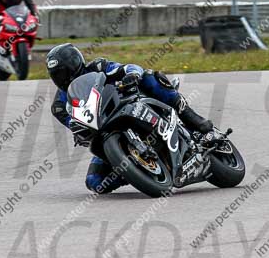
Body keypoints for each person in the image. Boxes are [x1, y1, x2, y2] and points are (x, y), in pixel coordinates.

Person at [45, 43, 214, 194]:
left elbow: (126, 67)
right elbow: (73, 124)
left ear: (76, 63)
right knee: (94, 183)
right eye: (57, 75)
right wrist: (79, 132)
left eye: (65, 71)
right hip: (103, 132)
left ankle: (190, 116)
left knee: (149, 77)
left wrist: (131, 74)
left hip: (127, 104)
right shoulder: (59, 106)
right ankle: (134, 171)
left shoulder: (98, 66)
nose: (63, 78)